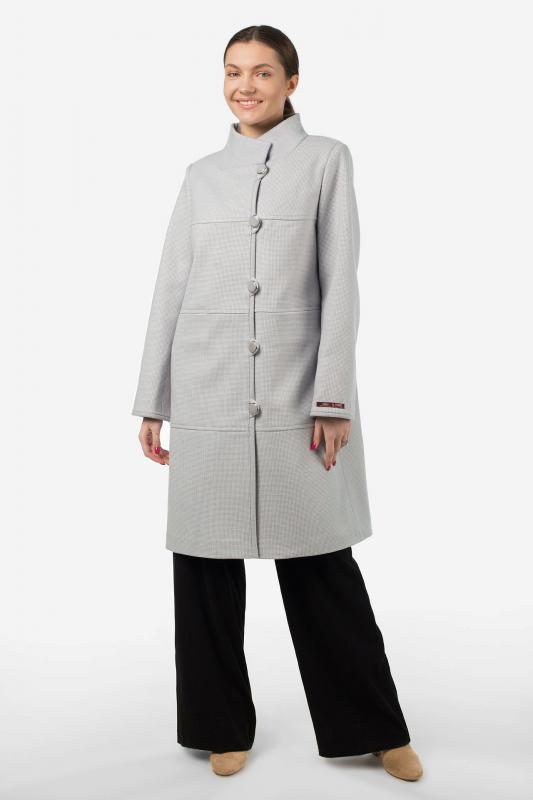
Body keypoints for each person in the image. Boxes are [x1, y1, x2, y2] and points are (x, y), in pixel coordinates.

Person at [131, 24, 424, 782]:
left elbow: (340, 281)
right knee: (204, 567)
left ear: (292, 82)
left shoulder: (325, 159)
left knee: (320, 563)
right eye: (233, 71)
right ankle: (217, 726)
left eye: (262, 72)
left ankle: (373, 728)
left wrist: (332, 400)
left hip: (298, 392)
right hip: (209, 389)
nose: (245, 86)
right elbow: (170, 285)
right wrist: (153, 398)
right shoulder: (200, 175)